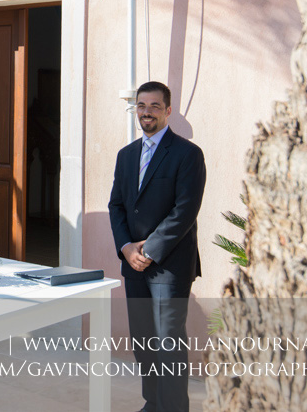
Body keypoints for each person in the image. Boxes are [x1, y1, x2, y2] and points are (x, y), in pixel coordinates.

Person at [108, 81, 206, 412]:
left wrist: (147, 251)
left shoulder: (188, 154)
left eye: (153, 106)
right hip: (132, 265)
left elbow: (185, 211)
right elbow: (116, 206)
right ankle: (153, 404)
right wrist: (125, 248)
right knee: (143, 342)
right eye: (141, 106)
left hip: (170, 266)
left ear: (168, 110)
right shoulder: (126, 155)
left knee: (168, 343)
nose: (146, 112)